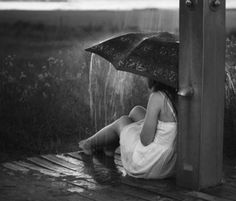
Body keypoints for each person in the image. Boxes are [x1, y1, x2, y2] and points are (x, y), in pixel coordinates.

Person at [79, 78, 177, 179]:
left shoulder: (158, 97)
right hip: (171, 161)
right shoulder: (179, 94)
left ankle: (88, 143)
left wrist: (136, 129)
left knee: (123, 121)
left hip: (151, 164)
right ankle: (111, 145)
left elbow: (145, 140)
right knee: (136, 111)